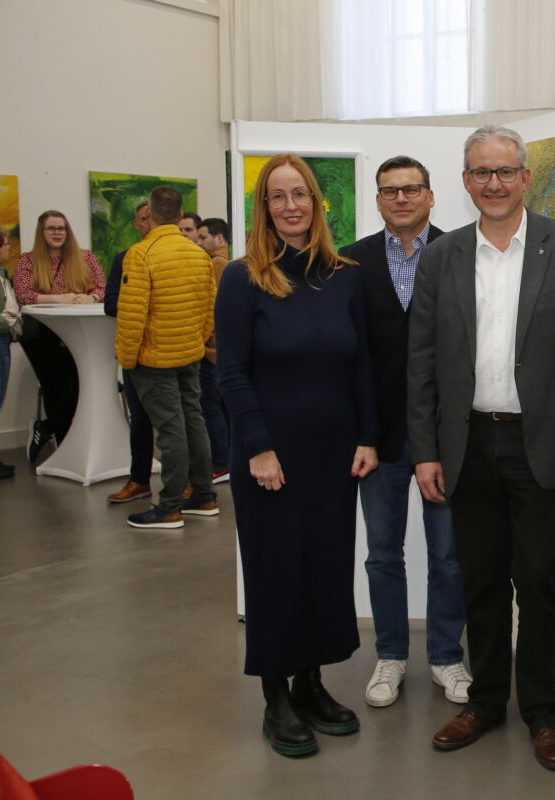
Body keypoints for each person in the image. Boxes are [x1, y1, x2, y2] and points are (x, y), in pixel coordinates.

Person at [407, 125, 555, 770]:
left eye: (504, 172)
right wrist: (425, 449)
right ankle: (487, 702)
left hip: (543, 446)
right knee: (482, 582)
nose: (493, 184)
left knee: (541, 584)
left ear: (524, 177)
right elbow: (422, 361)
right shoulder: (442, 257)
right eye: (480, 173)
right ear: (465, 182)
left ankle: (543, 712)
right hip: (467, 444)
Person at [216, 153, 378, 759]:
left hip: (333, 452)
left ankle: (312, 684)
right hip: (269, 456)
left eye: (300, 194)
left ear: (316, 202)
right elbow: (230, 372)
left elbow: (360, 361)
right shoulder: (242, 277)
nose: (291, 206)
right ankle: (276, 696)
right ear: (264, 208)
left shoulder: (344, 275)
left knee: (324, 567)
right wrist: (258, 448)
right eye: (278, 196)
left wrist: (367, 436)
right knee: (275, 570)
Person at [338, 156, 471, 709]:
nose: (400, 199)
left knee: (448, 555)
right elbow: (348, 353)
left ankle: (446, 656)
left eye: (411, 189)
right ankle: (390, 655)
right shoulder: (350, 262)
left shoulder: (461, 253)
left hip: (446, 436)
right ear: (377, 200)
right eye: (389, 191)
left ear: (431, 196)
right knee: (382, 554)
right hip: (380, 435)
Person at [114, 186, 217, 530]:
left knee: (171, 431)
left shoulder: (141, 254)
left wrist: (128, 359)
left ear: (152, 214)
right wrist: (196, 341)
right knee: (193, 421)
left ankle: (170, 506)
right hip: (189, 353)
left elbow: (132, 315)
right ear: (179, 214)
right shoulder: (198, 253)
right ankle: (203, 495)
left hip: (154, 359)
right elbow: (209, 309)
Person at [13, 210, 106, 462]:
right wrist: (59, 298)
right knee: (55, 386)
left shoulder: (85, 256)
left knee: (76, 384)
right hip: (40, 334)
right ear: (41, 232)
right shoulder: (28, 260)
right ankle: (63, 444)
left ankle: (47, 429)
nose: (57, 233)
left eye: (61, 228)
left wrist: (91, 297)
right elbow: (23, 295)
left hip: (77, 332)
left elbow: (102, 286)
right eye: (51, 228)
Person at [104, 201, 157, 503]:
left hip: (172, 350)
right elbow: (111, 303)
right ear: (136, 225)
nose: (147, 224)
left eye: (151, 218)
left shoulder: (178, 257)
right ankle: (140, 480)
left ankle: (195, 487)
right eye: (142, 220)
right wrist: (142, 303)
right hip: (134, 349)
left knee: (181, 420)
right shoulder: (124, 259)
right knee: (139, 418)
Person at [194, 216, 232, 481]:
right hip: (218, 345)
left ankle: (222, 461)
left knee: (212, 405)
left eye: (203, 237)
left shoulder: (218, 264)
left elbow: (218, 308)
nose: (199, 241)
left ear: (219, 238)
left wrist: (210, 341)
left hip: (215, 347)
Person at [0, 226, 21, 479]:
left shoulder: (0, 272)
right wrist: (6, 322)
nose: (9, 248)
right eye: (6, 244)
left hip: (2, 341)